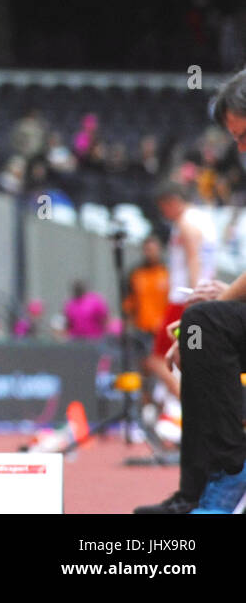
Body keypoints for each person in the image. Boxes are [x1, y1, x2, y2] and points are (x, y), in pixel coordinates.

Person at [137, 69, 246, 513]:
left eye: (245, 136)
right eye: (236, 140)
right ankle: (195, 492)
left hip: (187, 295)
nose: (241, 150)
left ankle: (232, 469)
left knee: (200, 326)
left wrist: (207, 308)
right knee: (200, 331)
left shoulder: (188, 223)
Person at [150, 180, 219, 397]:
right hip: (204, 299)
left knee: (157, 359)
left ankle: (189, 401)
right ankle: (195, 401)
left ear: (171, 202)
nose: (164, 213)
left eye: (164, 207)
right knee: (194, 355)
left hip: (184, 300)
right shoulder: (203, 219)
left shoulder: (186, 223)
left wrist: (194, 297)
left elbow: (193, 260)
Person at [123, 234, 170, 399]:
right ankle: (147, 407)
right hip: (142, 329)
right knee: (145, 371)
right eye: (147, 249)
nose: (150, 253)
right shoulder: (136, 273)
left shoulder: (167, 272)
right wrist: (128, 328)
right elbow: (129, 304)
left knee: (165, 368)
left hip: (164, 329)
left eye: (153, 249)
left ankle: (166, 406)